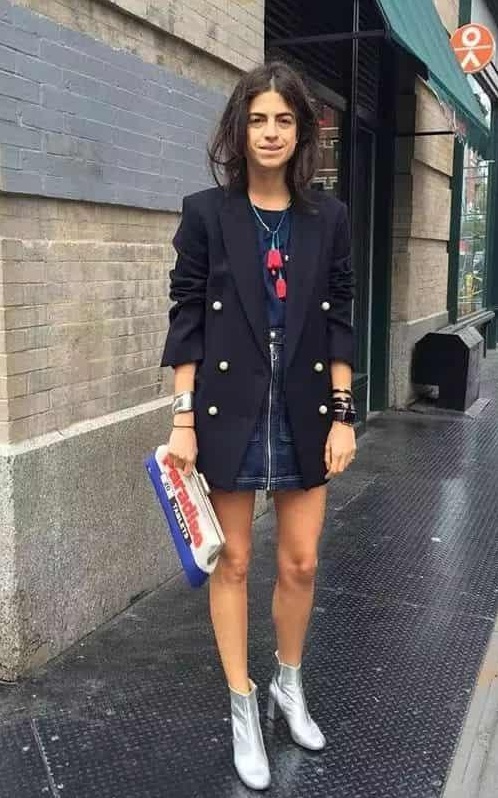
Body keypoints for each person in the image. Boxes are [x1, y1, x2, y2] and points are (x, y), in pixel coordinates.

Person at [161, 60, 356, 791]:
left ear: (302, 131)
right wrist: (183, 418)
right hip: (227, 407)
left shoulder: (328, 219)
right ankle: (243, 705)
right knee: (235, 562)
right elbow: (186, 314)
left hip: (304, 408)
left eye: (283, 120)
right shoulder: (206, 214)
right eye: (257, 119)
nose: (270, 132)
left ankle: (287, 684)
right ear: (238, 130)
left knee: (300, 561)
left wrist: (343, 414)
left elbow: (339, 314)